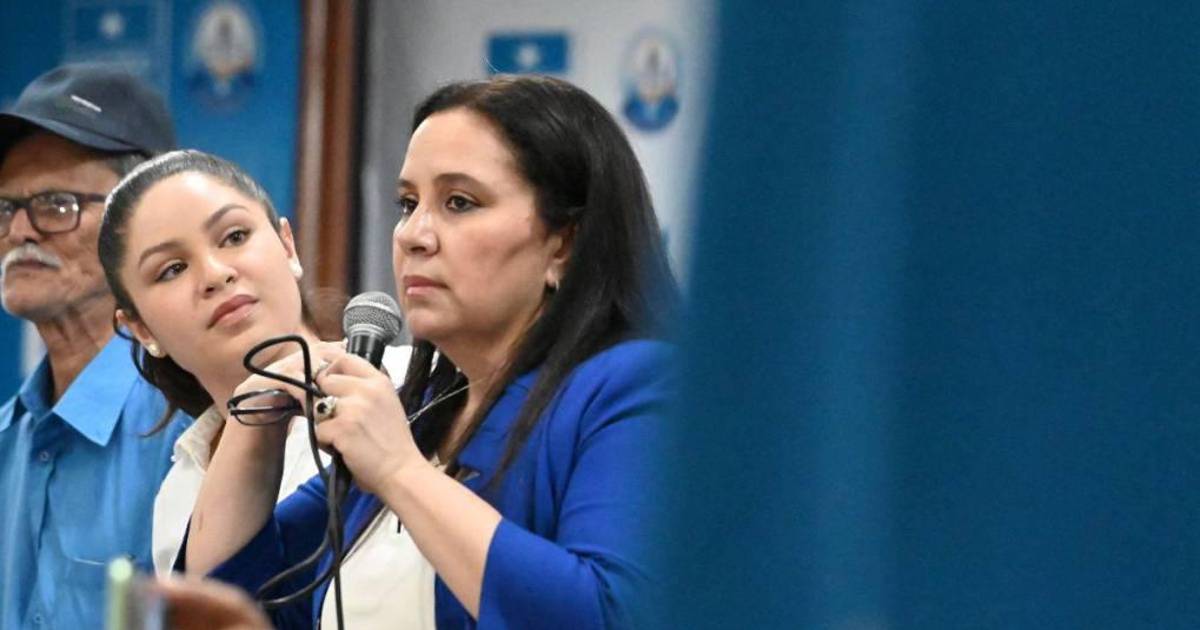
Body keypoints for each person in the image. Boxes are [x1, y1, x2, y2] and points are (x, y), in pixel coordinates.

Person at [178, 74, 680, 629]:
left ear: (564, 243)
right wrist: (254, 425)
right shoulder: (423, 410)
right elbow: (240, 608)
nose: (413, 235)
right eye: (408, 203)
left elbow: (610, 614)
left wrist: (399, 471)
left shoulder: (633, 384)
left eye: (459, 203)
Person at [97, 150, 416, 622]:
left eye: (234, 237)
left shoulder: (415, 386)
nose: (215, 274)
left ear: (288, 247)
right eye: (172, 269)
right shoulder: (181, 489)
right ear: (141, 330)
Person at [0, 63, 189, 628]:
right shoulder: (6, 441)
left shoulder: (195, 430)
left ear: (145, 222)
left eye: (56, 205)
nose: (19, 232)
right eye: (4, 208)